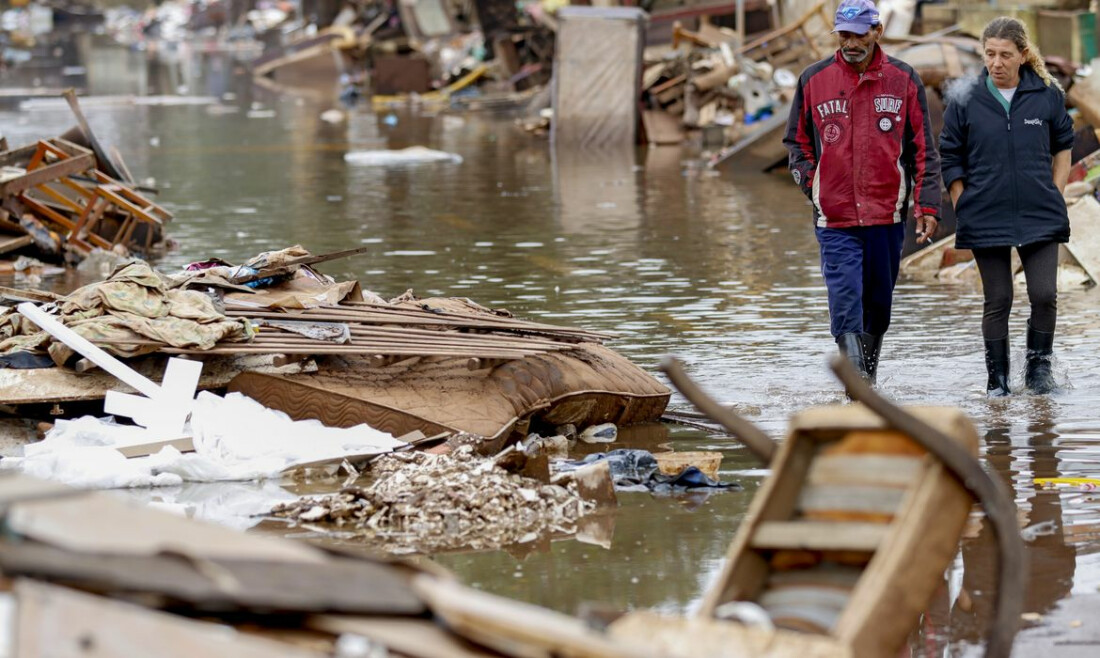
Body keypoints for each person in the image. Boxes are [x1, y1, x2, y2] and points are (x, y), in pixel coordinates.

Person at [784, 0, 941, 385]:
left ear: (877, 32)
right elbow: (796, 143)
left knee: (878, 307)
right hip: (835, 218)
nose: (851, 42)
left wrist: (926, 205)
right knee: (845, 298)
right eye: (844, 34)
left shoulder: (903, 79)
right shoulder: (813, 79)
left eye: (858, 34)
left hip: (886, 215)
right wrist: (813, 184)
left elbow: (923, 148)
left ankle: (866, 385)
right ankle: (856, 386)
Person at [939, 16, 1073, 396]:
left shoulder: (1046, 93)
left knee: (1044, 295)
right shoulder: (966, 98)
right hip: (985, 213)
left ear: (1022, 55)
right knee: (998, 299)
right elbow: (950, 154)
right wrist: (962, 201)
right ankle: (997, 381)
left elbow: (1062, 144)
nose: (996, 63)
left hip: (1040, 212)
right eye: (990, 54)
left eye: (1005, 55)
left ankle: (1038, 370)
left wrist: (1056, 193)